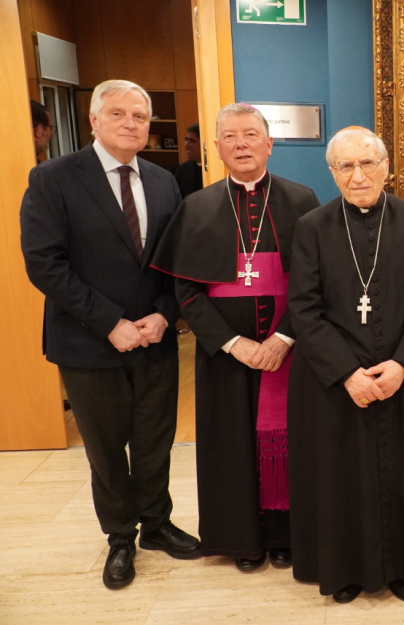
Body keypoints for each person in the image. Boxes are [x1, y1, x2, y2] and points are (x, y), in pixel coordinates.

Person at [20, 79, 201, 590]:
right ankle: (120, 536)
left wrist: (166, 313)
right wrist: (109, 323)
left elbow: (176, 261)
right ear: (94, 121)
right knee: (104, 446)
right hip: (87, 341)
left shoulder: (164, 181)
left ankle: (157, 524)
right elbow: (44, 264)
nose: (130, 123)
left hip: (155, 336)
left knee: (154, 440)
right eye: (118, 113)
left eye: (139, 116)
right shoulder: (53, 178)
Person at [288, 126, 404, 603]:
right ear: (332, 173)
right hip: (339, 381)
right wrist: (346, 373)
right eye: (346, 166)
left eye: (368, 164)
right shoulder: (312, 227)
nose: (358, 175)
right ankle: (346, 571)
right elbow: (304, 308)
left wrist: (401, 364)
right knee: (343, 475)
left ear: (387, 167)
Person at [151, 104, 320, 571]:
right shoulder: (197, 205)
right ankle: (241, 539)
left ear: (270, 143)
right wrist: (232, 342)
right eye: (230, 136)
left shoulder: (302, 199)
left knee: (288, 441)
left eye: (251, 135)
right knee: (231, 445)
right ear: (218, 147)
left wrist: (283, 338)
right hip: (224, 354)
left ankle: (287, 533)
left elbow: (316, 281)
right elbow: (185, 289)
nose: (241, 144)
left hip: (288, 350)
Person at [174, 123, 204, 198]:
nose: (186, 145)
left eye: (192, 141)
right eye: (186, 140)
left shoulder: (219, 170)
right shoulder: (182, 170)